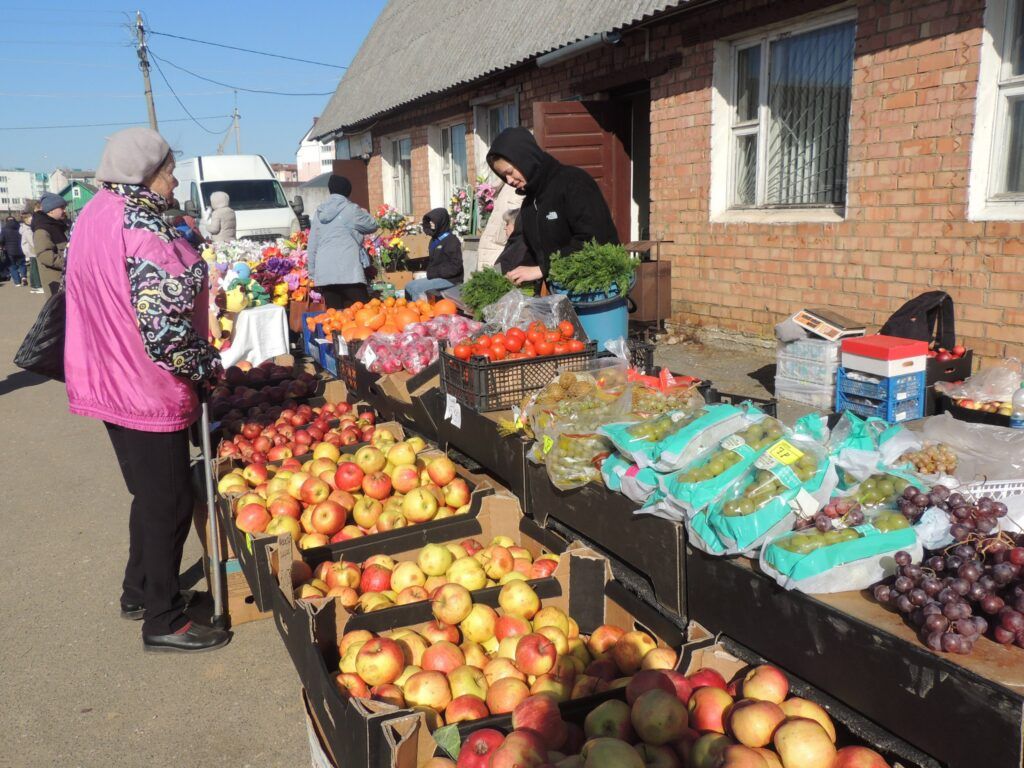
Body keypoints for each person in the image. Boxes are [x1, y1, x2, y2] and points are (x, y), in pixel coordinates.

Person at [64, 126, 229, 653]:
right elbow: (165, 330)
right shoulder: (144, 226)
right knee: (171, 500)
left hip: (107, 375)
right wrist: (207, 368)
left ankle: (139, 589)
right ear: (147, 173)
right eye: (169, 168)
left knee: (151, 494)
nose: (175, 178)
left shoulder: (95, 213)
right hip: (146, 385)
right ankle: (163, 617)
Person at [486, 127, 619, 286]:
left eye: (510, 172)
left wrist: (543, 269)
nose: (509, 181)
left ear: (524, 158)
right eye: (503, 176)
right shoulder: (529, 203)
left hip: (599, 292)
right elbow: (525, 249)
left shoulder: (573, 182)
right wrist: (499, 278)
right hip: (561, 293)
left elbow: (594, 240)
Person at [306, 174, 378, 310]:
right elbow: (372, 225)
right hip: (349, 273)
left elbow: (312, 245)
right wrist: (363, 212)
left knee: (335, 317)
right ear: (348, 191)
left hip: (325, 274)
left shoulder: (319, 212)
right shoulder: (352, 210)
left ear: (330, 190)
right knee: (362, 313)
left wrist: (312, 274)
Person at [404, 208, 464, 301]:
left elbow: (455, 267)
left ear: (441, 222)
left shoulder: (451, 241)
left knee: (416, 288)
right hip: (436, 275)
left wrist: (433, 273)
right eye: (430, 222)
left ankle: (420, 312)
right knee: (409, 285)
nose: (431, 224)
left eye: (434, 222)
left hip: (451, 279)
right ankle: (409, 309)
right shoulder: (435, 239)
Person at [32, 192, 69, 295]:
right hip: (55, 281)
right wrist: (67, 264)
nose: (65, 210)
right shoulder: (42, 229)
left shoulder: (57, 226)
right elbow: (44, 255)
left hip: (63, 278)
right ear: (51, 210)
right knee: (59, 310)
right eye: (62, 207)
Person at [494, 207, 533, 275]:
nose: (505, 228)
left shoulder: (521, 244)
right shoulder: (514, 242)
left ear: (516, 225)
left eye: (507, 224)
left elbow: (501, 269)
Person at [21, 201, 45, 293]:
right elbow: (33, 242)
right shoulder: (27, 230)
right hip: (33, 252)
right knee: (35, 269)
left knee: (33, 269)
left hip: (31, 252)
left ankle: (34, 286)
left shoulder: (27, 229)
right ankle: (37, 285)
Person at [2, 217, 26, 287]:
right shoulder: (20, 228)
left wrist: (3, 245)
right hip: (21, 249)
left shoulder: (4, 229)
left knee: (12, 266)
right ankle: (24, 276)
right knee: (22, 264)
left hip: (9, 251)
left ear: (6, 221)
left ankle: (17, 282)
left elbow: (1, 239)